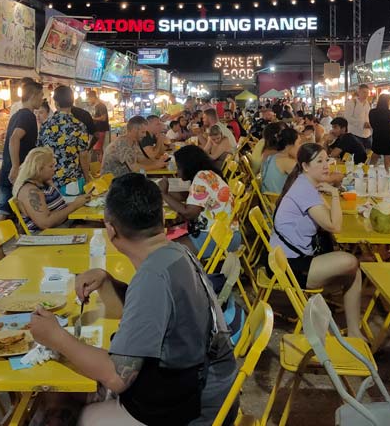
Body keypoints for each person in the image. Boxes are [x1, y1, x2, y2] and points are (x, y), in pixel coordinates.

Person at [29, 174, 237, 425]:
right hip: (206, 387)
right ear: (161, 219)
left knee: (65, 414)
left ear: (110, 230)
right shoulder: (176, 253)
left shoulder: (153, 277)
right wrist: (108, 281)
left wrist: (56, 337)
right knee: (60, 398)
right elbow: (149, 313)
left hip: (194, 408)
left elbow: (117, 376)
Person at [269, 143, 365, 339]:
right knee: (350, 262)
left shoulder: (305, 184)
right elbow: (334, 226)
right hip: (288, 265)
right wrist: (336, 195)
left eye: (327, 160)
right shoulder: (304, 188)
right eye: (319, 161)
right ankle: (353, 332)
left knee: (354, 273)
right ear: (305, 166)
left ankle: (355, 333)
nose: (326, 166)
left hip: (286, 257)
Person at [159, 144, 236, 254]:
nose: (177, 172)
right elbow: (188, 196)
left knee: (166, 251)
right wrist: (163, 192)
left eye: (179, 167)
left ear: (188, 166)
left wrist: (164, 195)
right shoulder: (208, 174)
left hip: (217, 238)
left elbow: (189, 213)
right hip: (228, 234)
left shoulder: (201, 178)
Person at [0, 80, 44, 222]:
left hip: (9, 168)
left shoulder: (18, 115)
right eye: (41, 95)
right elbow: (14, 139)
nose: (42, 99)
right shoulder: (26, 116)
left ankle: (3, 241)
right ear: (33, 95)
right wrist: (16, 167)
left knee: (8, 207)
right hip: (16, 171)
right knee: (8, 207)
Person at [13, 147, 90, 232]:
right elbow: (45, 223)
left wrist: (80, 201)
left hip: (64, 225)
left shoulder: (44, 183)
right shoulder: (30, 191)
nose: (54, 169)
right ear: (39, 168)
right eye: (51, 166)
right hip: (45, 236)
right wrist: (74, 205)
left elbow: (59, 209)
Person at [39, 85, 92, 193]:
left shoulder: (45, 125)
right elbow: (83, 155)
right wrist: (87, 178)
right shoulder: (79, 125)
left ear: (56, 103)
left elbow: (39, 152)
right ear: (72, 102)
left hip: (49, 182)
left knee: (56, 209)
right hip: (72, 182)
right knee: (75, 209)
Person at [101, 116, 167, 178]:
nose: (144, 135)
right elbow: (134, 168)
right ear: (134, 130)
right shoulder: (122, 143)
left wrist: (159, 162)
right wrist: (156, 165)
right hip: (113, 184)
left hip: (125, 180)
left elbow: (142, 160)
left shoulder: (134, 142)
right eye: (143, 132)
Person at [261, 127, 301, 193]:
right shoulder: (287, 162)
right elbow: (307, 181)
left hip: (268, 200)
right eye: (299, 143)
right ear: (289, 145)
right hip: (279, 201)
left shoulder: (272, 157)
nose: (300, 146)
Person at [368, 93, 390, 170]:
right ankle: (388, 178)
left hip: (377, 136)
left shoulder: (372, 112)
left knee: (374, 158)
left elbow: (372, 124)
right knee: (387, 162)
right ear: (387, 102)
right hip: (388, 137)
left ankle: (368, 174)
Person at [87, 89, 110, 161]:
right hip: (97, 130)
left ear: (93, 97)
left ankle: (100, 166)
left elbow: (103, 118)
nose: (88, 101)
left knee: (98, 149)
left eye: (89, 99)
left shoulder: (101, 106)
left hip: (101, 130)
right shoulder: (96, 106)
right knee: (97, 149)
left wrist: (93, 118)